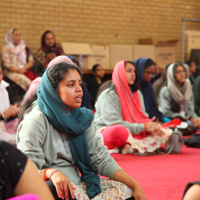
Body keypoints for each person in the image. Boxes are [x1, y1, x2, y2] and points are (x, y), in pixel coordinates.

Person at [17, 61, 146, 200]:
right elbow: (25, 170)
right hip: (52, 186)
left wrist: (134, 184)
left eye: (79, 83)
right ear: (53, 91)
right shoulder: (37, 119)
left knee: (128, 191)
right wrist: (51, 173)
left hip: (78, 186)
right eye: (71, 84)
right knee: (55, 190)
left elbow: (101, 158)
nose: (79, 89)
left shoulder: (82, 117)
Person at [94, 60, 171, 155]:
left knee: (165, 131)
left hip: (134, 132)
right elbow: (113, 124)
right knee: (119, 131)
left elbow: (143, 117)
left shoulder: (137, 93)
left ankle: (130, 146)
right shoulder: (108, 95)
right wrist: (144, 127)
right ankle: (136, 145)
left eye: (134, 71)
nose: (133, 74)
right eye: (129, 71)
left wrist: (151, 126)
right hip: (108, 130)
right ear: (120, 72)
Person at [159, 63, 200, 128]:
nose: (182, 74)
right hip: (171, 120)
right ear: (172, 74)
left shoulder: (188, 88)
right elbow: (167, 113)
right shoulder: (166, 90)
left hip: (186, 119)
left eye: (183, 71)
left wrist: (196, 119)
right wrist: (188, 119)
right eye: (178, 72)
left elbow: (190, 111)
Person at [134, 58, 164, 122]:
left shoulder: (148, 86)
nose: (151, 76)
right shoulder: (134, 88)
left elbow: (153, 108)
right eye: (148, 73)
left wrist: (157, 120)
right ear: (139, 71)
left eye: (153, 73)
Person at [0, 64, 19, 143]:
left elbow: (11, 115)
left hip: (7, 125)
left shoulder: (6, 87)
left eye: (0, 73)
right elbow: (4, 115)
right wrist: (4, 115)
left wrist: (13, 112)